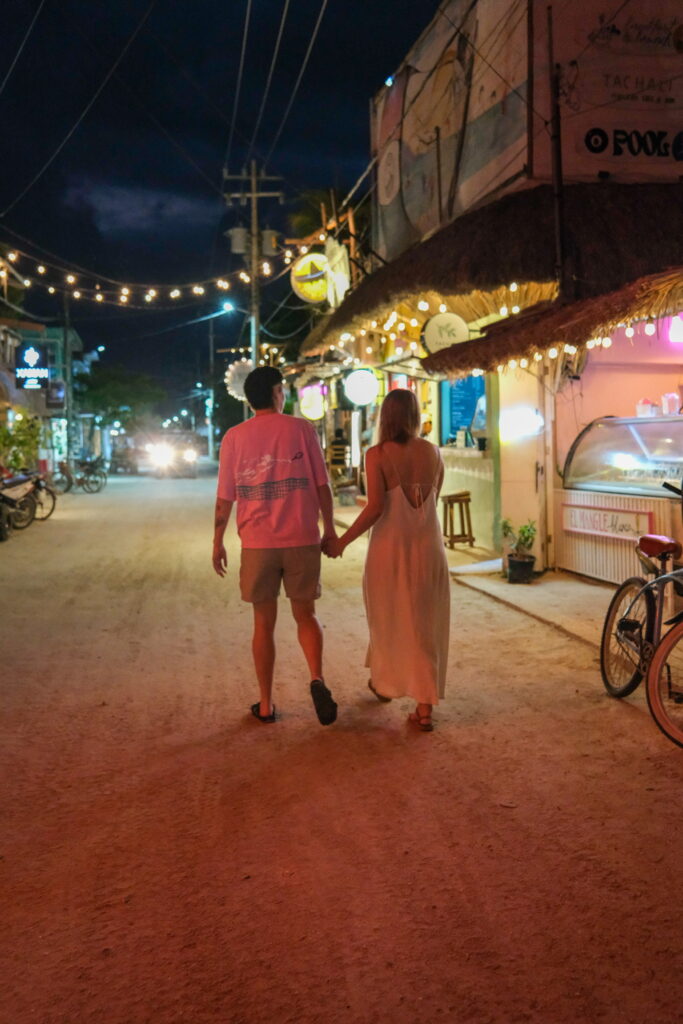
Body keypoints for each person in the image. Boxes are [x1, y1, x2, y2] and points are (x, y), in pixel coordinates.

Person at [212, 366, 338, 726]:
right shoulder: (301, 429)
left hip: (258, 544)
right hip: (301, 538)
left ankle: (266, 704)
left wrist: (217, 540)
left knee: (263, 623)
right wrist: (329, 529)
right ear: (276, 392)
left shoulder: (234, 438)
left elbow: (225, 499)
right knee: (306, 615)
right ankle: (317, 678)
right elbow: (321, 487)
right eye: (282, 389)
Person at [324, 390, 449, 731]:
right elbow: (432, 501)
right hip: (428, 549)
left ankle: (403, 693)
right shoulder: (434, 453)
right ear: (414, 415)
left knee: (386, 615)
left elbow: (376, 507)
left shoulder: (376, 455)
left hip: (390, 550)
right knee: (424, 622)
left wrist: (342, 542)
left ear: (385, 417)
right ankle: (412, 698)